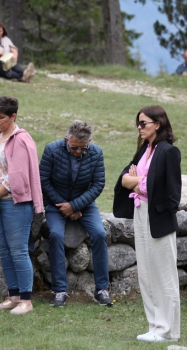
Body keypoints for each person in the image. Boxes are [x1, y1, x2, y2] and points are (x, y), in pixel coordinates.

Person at [114, 105, 181, 343]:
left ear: (158, 124)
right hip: (140, 212)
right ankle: (154, 326)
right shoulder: (145, 150)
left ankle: (168, 331)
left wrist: (139, 181)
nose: (139, 128)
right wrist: (139, 181)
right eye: (138, 123)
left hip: (158, 216)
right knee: (146, 273)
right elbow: (124, 179)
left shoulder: (168, 151)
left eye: (143, 123)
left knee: (164, 274)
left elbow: (170, 191)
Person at [0, 96, 42, 315]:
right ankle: (13, 296)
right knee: (4, 251)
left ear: (13, 116)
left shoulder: (22, 139)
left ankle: (26, 300)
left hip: (14, 203)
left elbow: (20, 175)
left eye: (1, 117)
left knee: (18, 251)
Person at [39, 121, 113, 307]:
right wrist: (64, 206)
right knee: (55, 235)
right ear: (66, 140)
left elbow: (98, 184)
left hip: (85, 205)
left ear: (89, 141)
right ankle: (59, 290)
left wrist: (74, 206)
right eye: (74, 148)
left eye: (83, 148)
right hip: (56, 203)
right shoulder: (51, 150)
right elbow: (43, 181)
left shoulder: (96, 152)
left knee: (99, 233)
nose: (78, 151)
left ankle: (102, 289)